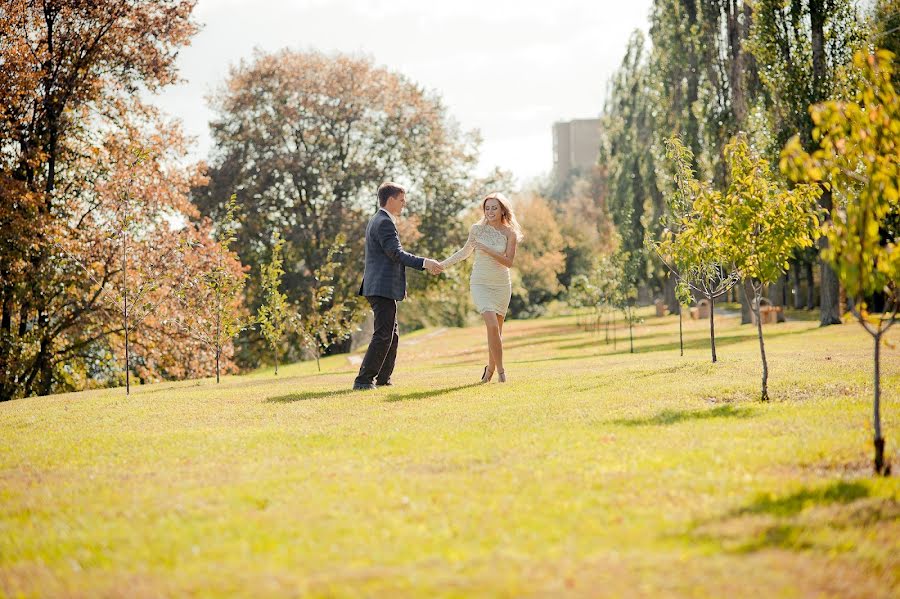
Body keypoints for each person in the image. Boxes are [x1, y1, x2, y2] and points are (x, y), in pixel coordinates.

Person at [353, 182, 443, 391]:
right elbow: (396, 253)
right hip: (380, 287)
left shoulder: (379, 219)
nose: (405, 204)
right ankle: (364, 380)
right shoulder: (383, 222)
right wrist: (425, 263)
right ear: (391, 199)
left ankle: (383, 378)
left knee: (391, 335)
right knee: (384, 334)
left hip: (380, 286)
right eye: (402, 200)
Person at [440, 192, 523, 383]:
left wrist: (487, 249)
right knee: (492, 325)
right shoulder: (477, 230)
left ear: (503, 210)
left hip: (501, 284)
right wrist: (442, 265)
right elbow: (464, 252)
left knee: (497, 332)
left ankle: (490, 369)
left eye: (494, 208)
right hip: (480, 283)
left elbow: (509, 262)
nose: (490, 211)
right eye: (487, 208)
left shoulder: (510, 234)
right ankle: (502, 373)